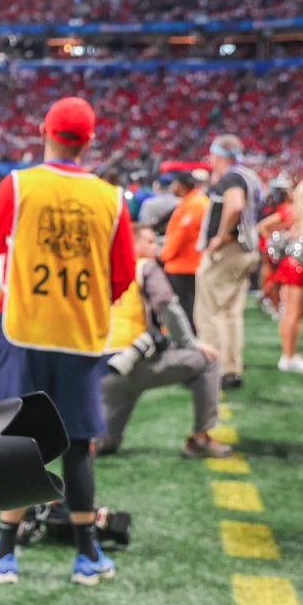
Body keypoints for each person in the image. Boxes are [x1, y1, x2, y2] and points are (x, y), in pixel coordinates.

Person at [0, 96, 135, 587]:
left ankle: (4, 552)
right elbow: (123, 276)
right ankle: (88, 556)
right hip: (81, 336)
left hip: (21, 328)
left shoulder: (19, 184)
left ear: (45, 130)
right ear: (89, 141)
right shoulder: (111, 197)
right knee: (79, 444)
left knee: (20, 441)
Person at [97, 224, 228, 459]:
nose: (154, 245)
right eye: (148, 241)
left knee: (105, 443)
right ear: (131, 243)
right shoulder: (144, 267)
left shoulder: (99, 267)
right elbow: (166, 305)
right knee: (208, 361)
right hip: (136, 360)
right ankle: (200, 439)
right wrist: (190, 343)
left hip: (103, 367)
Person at [194, 135, 263, 390]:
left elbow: (234, 206)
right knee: (230, 313)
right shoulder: (249, 175)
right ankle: (230, 369)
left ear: (217, 156)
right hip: (245, 250)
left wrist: (221, 237)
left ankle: (211, 368)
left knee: (210, 310)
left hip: (230, 250)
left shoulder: (232, 177)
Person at [261, 177, 303, 375]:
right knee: (295, 314)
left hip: (289, 265)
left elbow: (265, 228)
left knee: (289, 312)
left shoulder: (293, 212)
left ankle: (287, 354)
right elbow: (264, 227)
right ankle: (289, 356)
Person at [160, 170, 209, 333]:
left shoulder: (195, 204)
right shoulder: (193, 201)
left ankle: (187, 340)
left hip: (185, 265)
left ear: (180, 186)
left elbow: (182, 235)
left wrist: (165, 255)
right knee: (187, 305)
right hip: (187, 263)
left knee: (184, 307)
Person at [256, 177, 293, 320]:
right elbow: (262, 226)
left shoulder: (273, 205)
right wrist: (274, 241)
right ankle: (267, 296)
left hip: (272, 244)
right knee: (275, 276)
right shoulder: (285, 209)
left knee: (274, 275)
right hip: (274, 246)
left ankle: (267, 297)